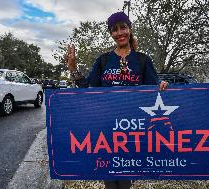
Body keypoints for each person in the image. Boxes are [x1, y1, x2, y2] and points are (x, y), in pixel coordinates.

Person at [66, 11, 168, 189]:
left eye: (123, 27)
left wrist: (163, 87)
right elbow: (87, 88)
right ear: (111, 33)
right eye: (115, 30)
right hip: (107, 130)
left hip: (133, 129)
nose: (120, 33)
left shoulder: (143, 60)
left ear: (130, 29)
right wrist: (73, 68)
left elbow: (153, 92)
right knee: (110, 179)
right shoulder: (104, 60)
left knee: (126, 179)